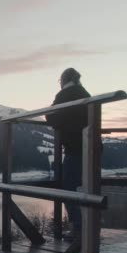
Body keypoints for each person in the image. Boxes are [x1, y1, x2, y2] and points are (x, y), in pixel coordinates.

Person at [46, 68, 91, 241]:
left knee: (67, 188)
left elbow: (51, 117)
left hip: (75, 148)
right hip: (91, 147)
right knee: (88, 187)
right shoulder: (84, 93)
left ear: (63, 80)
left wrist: (59, 123)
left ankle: (79, 230)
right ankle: (90, 227)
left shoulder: (64, 95)